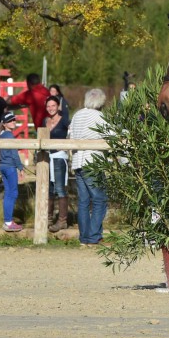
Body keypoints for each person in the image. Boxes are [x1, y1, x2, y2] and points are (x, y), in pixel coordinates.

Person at [69, 89, 110, 246]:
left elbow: (71, 136)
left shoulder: (77, 115)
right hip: (93, 162)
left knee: (83, 201)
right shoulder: (99, 117)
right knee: (100, 200)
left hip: (78, 161)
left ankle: (84, 237)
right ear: (100, 102)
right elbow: (110, 135)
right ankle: (93, 236)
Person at [45, 95, 71, 233]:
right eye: (48, 106)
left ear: (58, 107)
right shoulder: (46, 121)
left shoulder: (64, 120)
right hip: (47, 157)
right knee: (49, 188)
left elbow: (72, 132)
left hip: (59, 157)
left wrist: (66, 146)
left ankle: (62, 220)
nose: (50, 108)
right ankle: (48, 218)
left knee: (60, 188)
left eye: (53, 106)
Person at [0, 112, 25, 232]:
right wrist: (20, 167)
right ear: (4, 124)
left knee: (8, 193)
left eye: (14, 120)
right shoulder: (9, 135)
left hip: (3, 166)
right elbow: (14, 153)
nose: (13, 122)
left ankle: (7, 220)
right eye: (10, 121)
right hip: (10, 167)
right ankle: (8, 222)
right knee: (13, 193)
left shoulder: (2, 135)